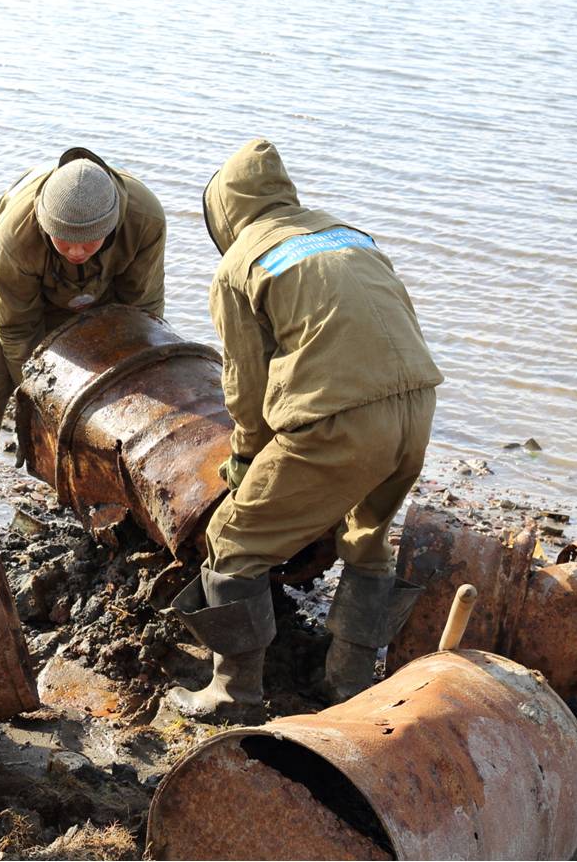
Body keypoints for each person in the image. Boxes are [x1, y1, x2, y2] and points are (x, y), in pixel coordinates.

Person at [167, 138, 443, 719]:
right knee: (366, 539)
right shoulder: (348, 235)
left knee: (235, 542)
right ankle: (346, 681)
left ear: (223, 211)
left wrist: (246, 462)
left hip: (341, 421)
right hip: (417, 409)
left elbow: (245, 387)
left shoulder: (240, 264)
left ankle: (232, 693)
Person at [0, 148, 166, 484]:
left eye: (89, 242)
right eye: (64, 242)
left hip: (103, 296)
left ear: (111, 227)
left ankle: (108, 494)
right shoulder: (16, 234)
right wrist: (41, 404)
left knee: (125, 397)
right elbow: (17, 329)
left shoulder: (144, 219)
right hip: (15, 302)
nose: (77, 252)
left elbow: (141, 314)